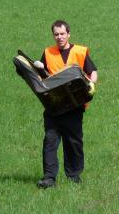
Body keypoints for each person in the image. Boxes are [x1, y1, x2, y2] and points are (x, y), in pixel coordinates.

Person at [33, 20, 98, 188]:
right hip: (54, 106)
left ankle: (74, 175)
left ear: (68, 34)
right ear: (53, 36)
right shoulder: (48, 53)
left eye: (62, 34)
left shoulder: (80, 51)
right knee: (50, 140)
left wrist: (91, 84)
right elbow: (41, 77)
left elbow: (93, 71)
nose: (59, 37)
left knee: (74, 142)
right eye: (56, 34)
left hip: (74, 106)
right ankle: (49, 178)